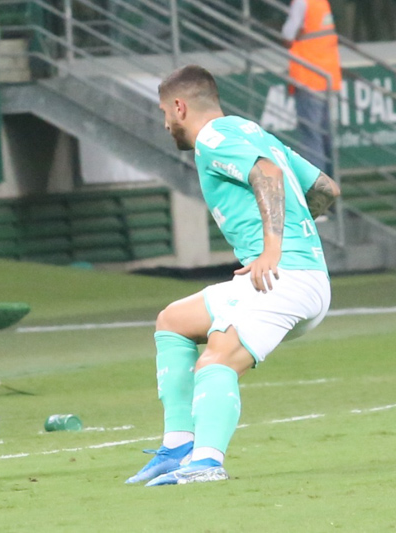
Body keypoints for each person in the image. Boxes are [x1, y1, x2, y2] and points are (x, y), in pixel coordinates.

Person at [125, 65, 341, 486]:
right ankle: (178, 447)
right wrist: (293, 228)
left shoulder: (213, 138)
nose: (165, 123)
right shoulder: (248, 130)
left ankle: (206, 461)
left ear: (179, 106)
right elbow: (327, 189)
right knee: (173, 321)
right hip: (297, 275)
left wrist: (273, 249)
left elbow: (269, 174)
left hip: (285, 277)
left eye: (164, 113)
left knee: (217, 357)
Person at [281, 0, 342, 175]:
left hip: (308, 77)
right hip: (328, 78)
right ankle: (330, 184)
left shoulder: (302, 2)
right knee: (325, 138)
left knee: (311, 139)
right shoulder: (321, 2)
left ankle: (318, 187)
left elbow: (287, 34)